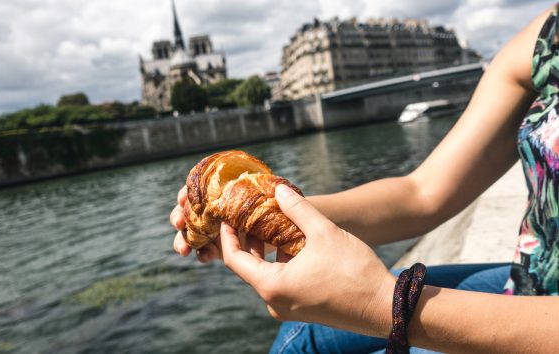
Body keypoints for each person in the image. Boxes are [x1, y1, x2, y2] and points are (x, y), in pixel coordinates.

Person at [170, 5, 559, 353]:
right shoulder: (543, 36)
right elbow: (422, 194)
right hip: (534, 275)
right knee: (301, 333)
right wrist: (274, 217)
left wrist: (380, 302)